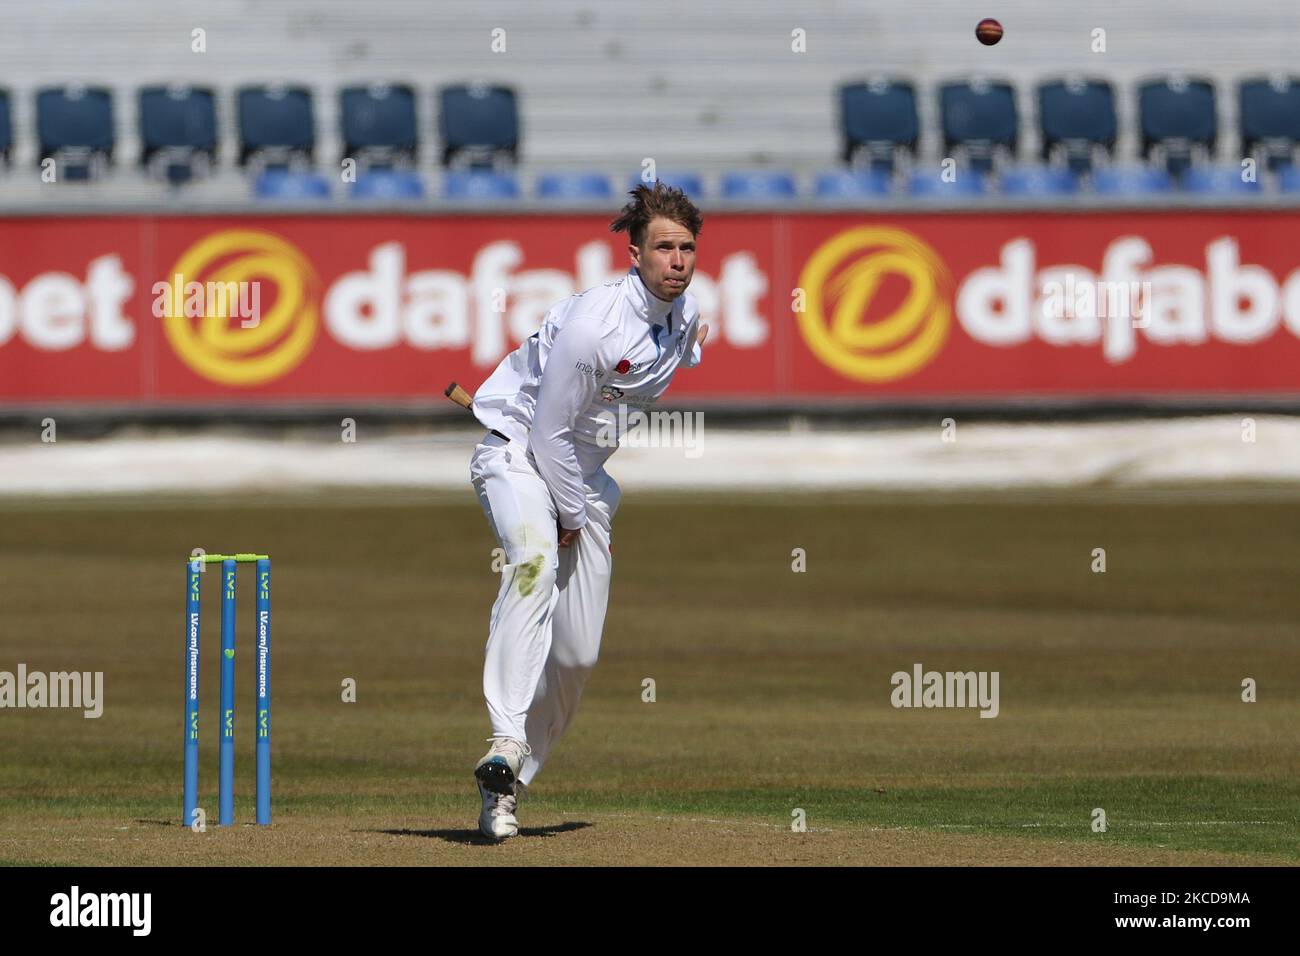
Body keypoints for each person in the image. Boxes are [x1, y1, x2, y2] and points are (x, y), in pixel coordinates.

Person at [465, 181, 709, 839]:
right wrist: (568, 514)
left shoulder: (683, 320)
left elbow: (676, 349)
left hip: (586, 483)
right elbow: (548, 433)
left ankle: (505, 787)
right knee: (533, 565)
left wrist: (581, 504)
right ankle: (505, 739)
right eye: (663, 248)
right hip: (518, 457)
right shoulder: (595, 325)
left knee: (576, 657)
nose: (677, 261)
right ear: (635, 253)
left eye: (687, 248)